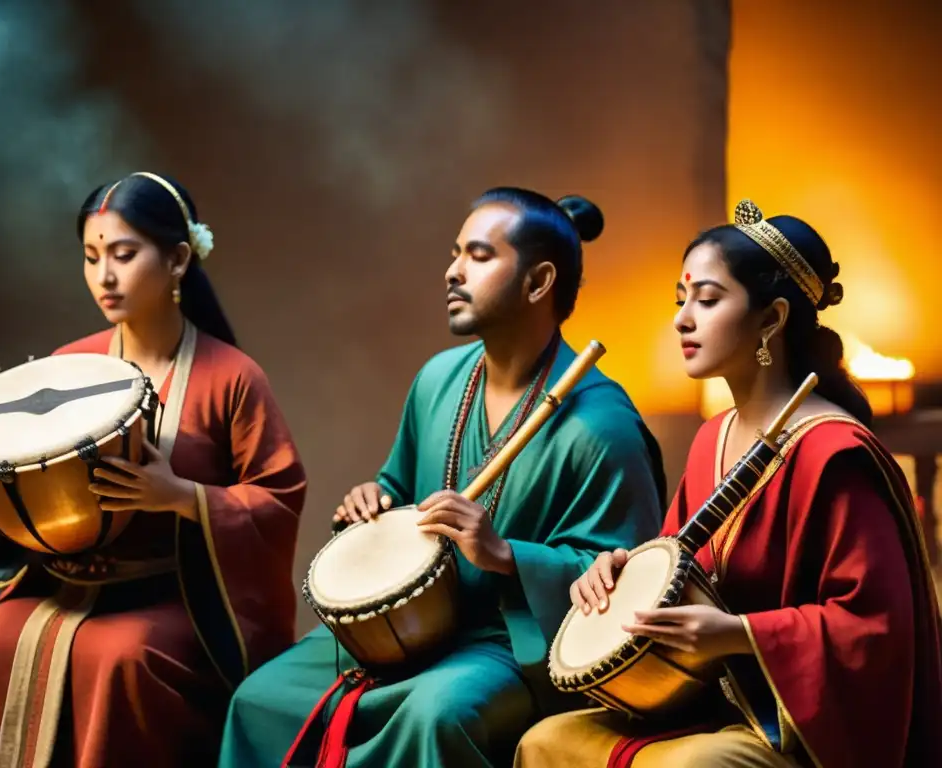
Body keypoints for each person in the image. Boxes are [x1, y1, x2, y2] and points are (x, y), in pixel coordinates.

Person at [218, 187, 667, 768]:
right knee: (261, 699)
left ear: (538, 283)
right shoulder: (438, 379)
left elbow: (627, 583)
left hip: (509, 644)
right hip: (406, 627)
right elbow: (399, 491)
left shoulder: (602, 427)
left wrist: (506, 555)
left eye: (479, 256)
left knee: (438, 714)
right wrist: (373, 502)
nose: (452, 271)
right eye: (456, 253)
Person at [514, 199, 942, 768]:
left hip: (789, 721)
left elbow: (875, 627)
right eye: (681, 300)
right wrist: (620, 573)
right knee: (544, 741)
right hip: (706, 697)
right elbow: (677, 566)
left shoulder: (834, 452)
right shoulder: (712, 438)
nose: (682, 318)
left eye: (707, 299)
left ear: (772, 319)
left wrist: (737, 634)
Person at [0, 172, 308, 768]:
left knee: (123, 656)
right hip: (66, 582)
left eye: (123, 254)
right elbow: (34, 475)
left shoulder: (233, 376)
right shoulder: (71, 365)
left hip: (177, 593)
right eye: (91, 258)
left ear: (177, 260)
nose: (104, 277)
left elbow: (278, 495)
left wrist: (183, 496)